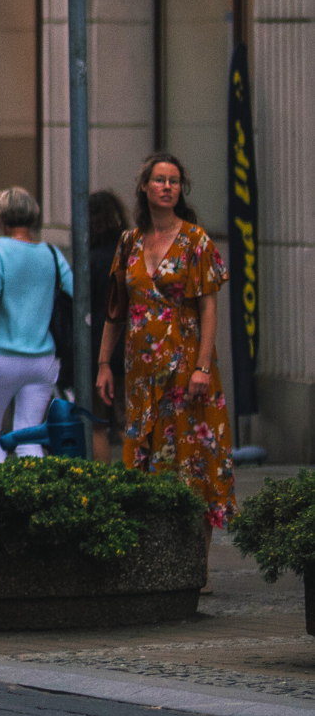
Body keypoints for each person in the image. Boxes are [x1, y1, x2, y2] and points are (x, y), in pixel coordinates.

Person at [98, 153, 235, 526]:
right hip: (141, 374)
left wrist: (202, 367)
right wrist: (103, 363)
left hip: (186, 369)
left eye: (174, 181)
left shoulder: (196, 240)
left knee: (191, 459)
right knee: (145, 458)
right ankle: (151, 554)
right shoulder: (129, 242)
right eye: (160, 180)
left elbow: (209, 308)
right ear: (144, 187)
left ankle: (197, 564)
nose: (167, 187)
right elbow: (116, 310)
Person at [0, 187, 72, 463]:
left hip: (2, 356)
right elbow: (74, 290)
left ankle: (5, 491)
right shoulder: (51, 253)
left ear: (2, 218)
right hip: (43, 359)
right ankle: (32, 498)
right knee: (28, 436)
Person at [85, 189, 129, 456]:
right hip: (130, 347)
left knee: (97, 423)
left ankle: (106, 483)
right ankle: (142, 481)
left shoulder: (89, 261)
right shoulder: (130, 255)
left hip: (96, 349)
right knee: (128, 423)